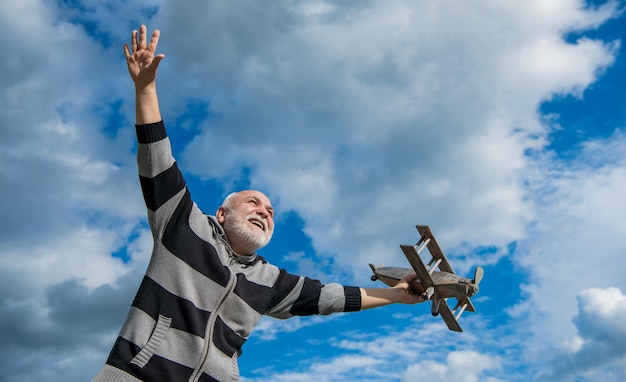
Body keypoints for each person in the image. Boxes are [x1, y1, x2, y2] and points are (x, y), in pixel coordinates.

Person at [93, 25, 423, 382]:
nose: (264, 212)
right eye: (253, 203)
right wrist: (146, 88)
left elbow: (330, 297)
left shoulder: (269, 281)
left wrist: (397, 295)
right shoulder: (183, 226)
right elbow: (157, 158)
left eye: (270, 212)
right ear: (222, 214)